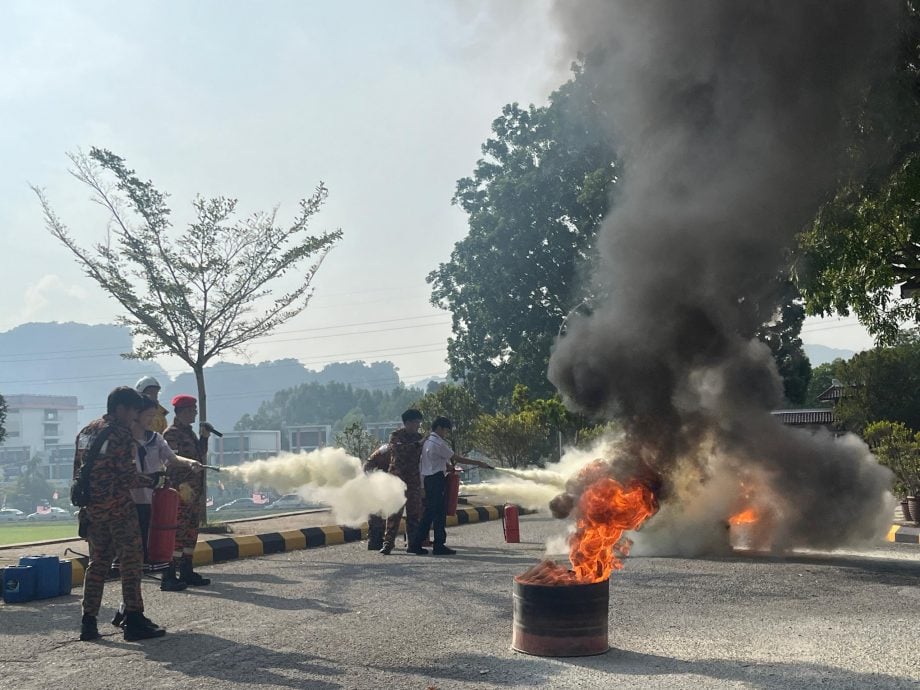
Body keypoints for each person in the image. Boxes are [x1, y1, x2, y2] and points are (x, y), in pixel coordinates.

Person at [74, 386, 166, 642]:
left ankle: (88, 622)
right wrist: (152, 480)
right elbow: (127, 477)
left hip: (93, 510)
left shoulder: (86, 431)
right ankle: (134, 620)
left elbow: (77, 474)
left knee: (97, 564)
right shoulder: (120, 434)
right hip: (118, 510)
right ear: (121, 408)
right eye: (134, 411)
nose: (135, 416)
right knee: (131, 562)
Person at [408, 416, 493, 556]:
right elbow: (457, 458)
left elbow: (430, 462)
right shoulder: (438, 443)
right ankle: (438, 545)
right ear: (439, 428)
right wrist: (479, 463)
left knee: (429, 513)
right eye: (446, 431)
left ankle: (416, 544)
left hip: (429, 480)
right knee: (439, 513)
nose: (445, 434)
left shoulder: (428, 441)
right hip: (436, 480)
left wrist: (445, 467)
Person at [162, 394, 211, 589]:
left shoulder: (189, 433)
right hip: (180, 492)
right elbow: (172, 461)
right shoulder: (171, 434)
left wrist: (204, 437)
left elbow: (199, 454)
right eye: (192, 410)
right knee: (177, 534)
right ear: (183, 411)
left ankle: (186, 570)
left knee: (191, 532)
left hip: (194, 493)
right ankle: (169, 573)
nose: (196, 413)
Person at [380, 409, 425, 555]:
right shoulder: (396, 436)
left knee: (414, 513)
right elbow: (399, 450)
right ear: (407, 423)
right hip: (397, 480)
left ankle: (413, 544)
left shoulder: (420, 437)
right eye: (415, 422)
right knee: (394, 512)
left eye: (419, 422)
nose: (418, 425)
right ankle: (388, 544)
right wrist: (418, 444)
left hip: (413, 481)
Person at [363, 443, 390, 551]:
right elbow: (367, 467)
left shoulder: (397, 449)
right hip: (375, 484)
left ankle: (377, 540)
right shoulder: (385, 450)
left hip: (383, 484)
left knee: (381, 514)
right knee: (376, 514)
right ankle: (374, 541)